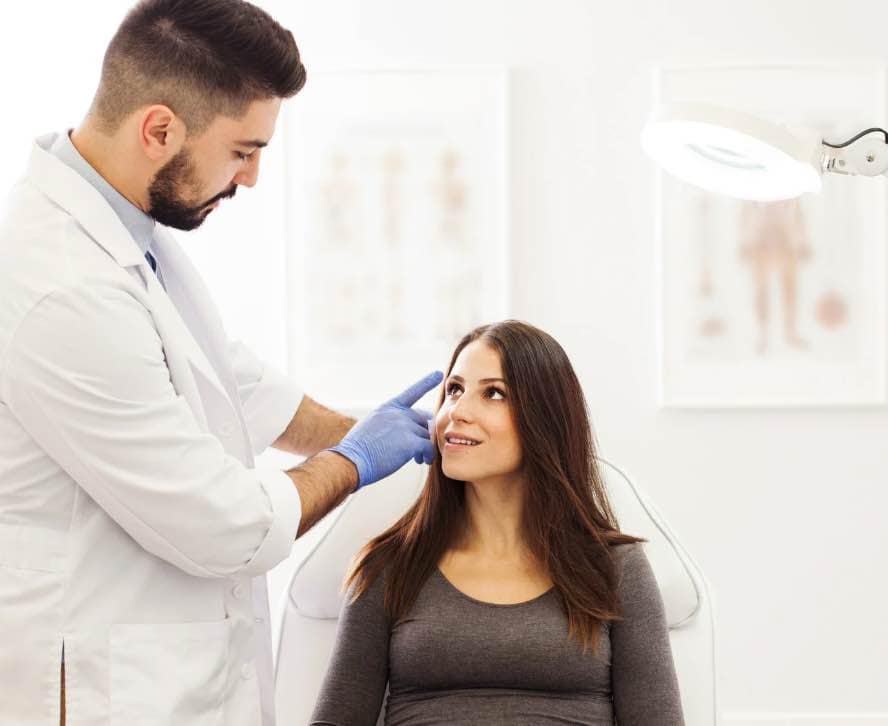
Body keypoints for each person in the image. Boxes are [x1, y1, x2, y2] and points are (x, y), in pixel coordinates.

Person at [0, 1, 440, 724]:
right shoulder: (60, 285)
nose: (253, 177)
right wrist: (356, 461)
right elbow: (224, 525)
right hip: (103, 688)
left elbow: (226, 379)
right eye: (243, 150)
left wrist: (366, 428)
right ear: (159, 130)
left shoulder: (124, 236)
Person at [311, 320, 684, 726]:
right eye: (454, 390)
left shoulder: (616, 569)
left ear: (546, 419)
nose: (457, 412)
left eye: (493, 393)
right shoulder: (389, 567)